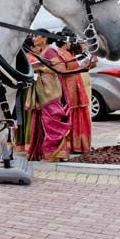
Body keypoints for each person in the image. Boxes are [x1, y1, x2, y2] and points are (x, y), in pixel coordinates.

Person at [27, 31, 71, 162]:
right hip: (44, 88)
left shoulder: (50, 51)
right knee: (45, 120)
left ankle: (56, 152)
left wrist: (40, 69)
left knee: (52, 119)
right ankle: (49, 151)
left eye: (36, 36)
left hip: (50, 89)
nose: (34, 39)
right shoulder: (43, 52)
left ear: (45, 38)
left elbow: (60, 69)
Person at [55, 33, 92, 154]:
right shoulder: (59, 54)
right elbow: (62, 72)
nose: (71, 43)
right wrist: (81, 68)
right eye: (70, 41)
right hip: (69, 86)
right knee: (72, 113)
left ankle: (81, 144)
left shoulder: (68, 53)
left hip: (76, 84)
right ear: (65, 41)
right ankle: (72, 145)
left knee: (80, 112)